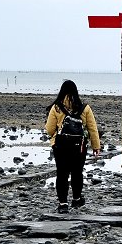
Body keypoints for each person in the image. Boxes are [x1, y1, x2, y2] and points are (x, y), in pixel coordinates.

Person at [45, 79, 101, 213]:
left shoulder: (57, 107)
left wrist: (55, 137)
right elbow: (92, 128)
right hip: (79, 147)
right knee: (77, 173)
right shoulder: (84, 108)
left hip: (60, 147)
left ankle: (63, 203)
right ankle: (76, 199)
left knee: (62, 174)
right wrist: (96, 146)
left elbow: (49, 129)